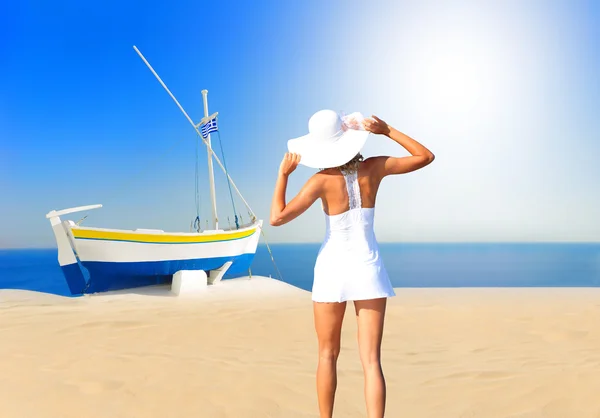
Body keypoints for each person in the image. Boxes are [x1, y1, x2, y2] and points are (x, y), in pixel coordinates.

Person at [269, 109, 434, 418]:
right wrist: (386, 130)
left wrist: (283, 175)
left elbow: (277, 218)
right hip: (368, 266)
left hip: (332, 268)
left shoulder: (320, 181)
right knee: (371, 360)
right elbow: (425, 156)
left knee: (327, 355)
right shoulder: (374, 168)